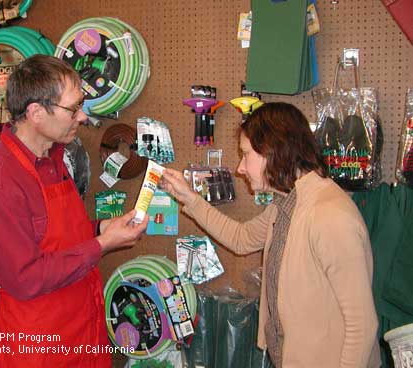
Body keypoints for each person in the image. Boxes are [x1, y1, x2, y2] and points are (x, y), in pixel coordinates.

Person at [161, 102, 380, 368]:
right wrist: (190, 198)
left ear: (273, 152)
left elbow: (362, 325)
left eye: (246, 154)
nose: (240, 168)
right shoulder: (287, 203)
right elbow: (241, 238)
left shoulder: (329, 216)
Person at [0, 54, 148, 368]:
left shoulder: (53, 158)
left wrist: (100, 228)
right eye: (73, 108)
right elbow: (27, 277)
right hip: (38, 347)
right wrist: (103, 245)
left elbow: (50, 235)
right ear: (36, 112)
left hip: (82, 334)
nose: (82, 117)